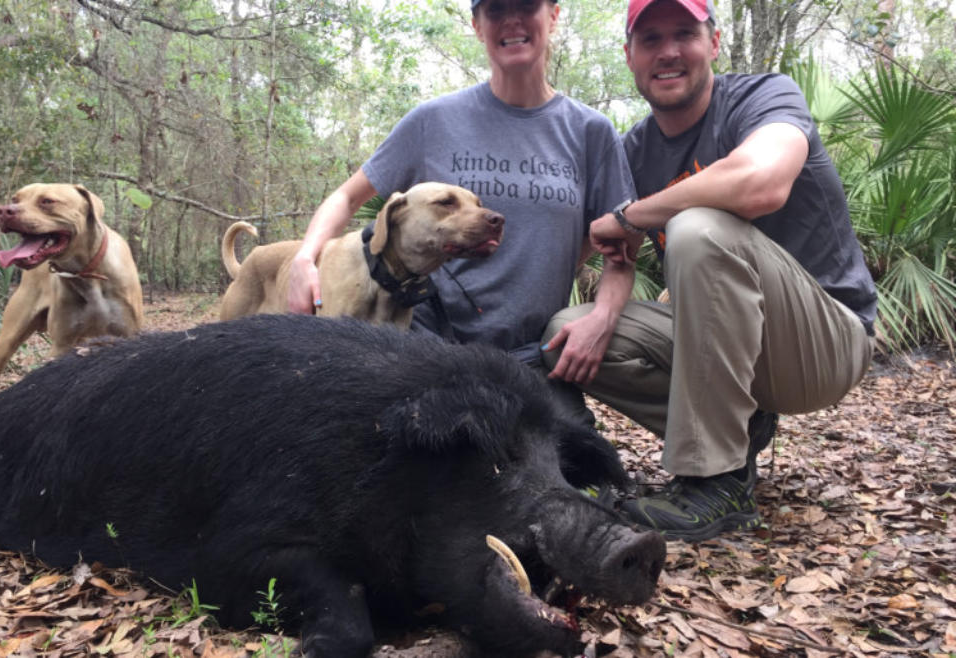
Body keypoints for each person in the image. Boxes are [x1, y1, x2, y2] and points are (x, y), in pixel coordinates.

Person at [542, 0, 878, 541]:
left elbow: (760, 183)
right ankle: (739, 430)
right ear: (629, 56)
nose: (668, 51)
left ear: (714, 44)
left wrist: (631, 215)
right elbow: (582, 242)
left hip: (825, 344)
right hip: (731, 352)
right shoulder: (632, 150)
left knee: (697, 227)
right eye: (650, 39)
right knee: (565, 333)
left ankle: (715, 484)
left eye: (684, 34)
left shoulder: (764, 97)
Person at [286, 0, 637, 420]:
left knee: (571, 469)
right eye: (495, 10)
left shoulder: (590, 131)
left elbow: (622, 251)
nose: (511, 20)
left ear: (554, 15)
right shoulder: (433, 120)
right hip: (424, 340)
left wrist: (602, 316)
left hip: (530, 354)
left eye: (526, 6)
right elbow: (346, 197)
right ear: (477, 25)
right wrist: (306, 258)